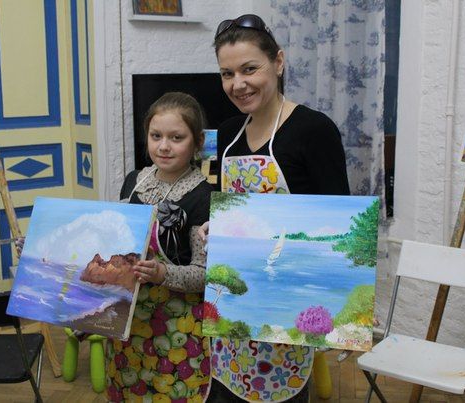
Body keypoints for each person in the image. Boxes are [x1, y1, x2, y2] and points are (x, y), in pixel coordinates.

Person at [203, 14, 350, 402]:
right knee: (225, 391)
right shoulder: (226, 133)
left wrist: (336, 314)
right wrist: (212, 225)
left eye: (249, 69)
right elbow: (224, 205)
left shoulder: (314, 130)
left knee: (277, 393)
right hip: (233, 301)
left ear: (278, 62)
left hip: (286, 302)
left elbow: (339, 225)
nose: (238, 84)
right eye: (227, 74)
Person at [106, 92, 213, 402]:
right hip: (129, 320)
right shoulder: (133, 182)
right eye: (156, 136)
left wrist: (161, 273)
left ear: (197, 142)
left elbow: (203, 274)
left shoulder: (203, 197)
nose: (164, 146)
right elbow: (115, 241)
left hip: (176, 326)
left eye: (176, 137)